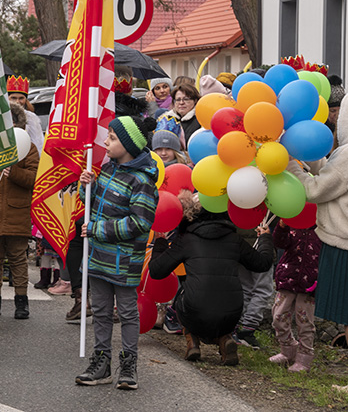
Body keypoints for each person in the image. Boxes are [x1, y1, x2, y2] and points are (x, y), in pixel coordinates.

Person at [75, 115, 158, 390]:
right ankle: (102, 363)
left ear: (127, 144)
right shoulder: (108, 170)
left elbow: (140, 223)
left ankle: (128, 364)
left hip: (124, 262)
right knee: (99, 310)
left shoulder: (142, 181)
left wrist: (98, 230)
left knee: (126, 312)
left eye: (111, 138)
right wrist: (88, 187)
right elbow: (93, 204)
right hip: (99, 257)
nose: (105, 142)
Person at [149, 193, 274, 366]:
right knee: (219, 305)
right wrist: (265, 238)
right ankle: (224, 339)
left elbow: (156, 271)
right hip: (233, 312)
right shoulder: (234, 239)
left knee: (182, 297)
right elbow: (263, 264)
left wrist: (161, 242)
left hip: (194, 311)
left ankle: (192, 340)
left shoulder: (186, 240)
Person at [287, 94, 348, 352]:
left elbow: (314, 189)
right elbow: (332, 176)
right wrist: (307, 154)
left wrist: (290, 163)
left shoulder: (347, 154)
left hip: (343, 243)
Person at [0, 103, 38, 320]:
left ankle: (22, 301)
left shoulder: (28, 148)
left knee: (17, 259)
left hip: (16, 214)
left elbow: (33, 179)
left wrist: (14, 172)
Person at [268, 220, 321, 372]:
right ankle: (288, 349)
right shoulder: (294, 224)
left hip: (310, 284)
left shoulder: (322, 230)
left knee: (305, 322)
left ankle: (304, 357)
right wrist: (282, 226)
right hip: (288, 279)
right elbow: (279, 242)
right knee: (278, 316)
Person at [156, 83, 201, 150]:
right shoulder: (166, 120)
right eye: (178, 99)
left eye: (186, 99)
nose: (181, 102)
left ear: (195, 101)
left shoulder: (200, 121)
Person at [6, 75, 45, 153]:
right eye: (13, 98)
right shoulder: (0, 115)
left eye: (21, 98)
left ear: (25, 99)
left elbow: (38, 142)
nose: (17, 101)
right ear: (7, 98)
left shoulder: (31, 117)